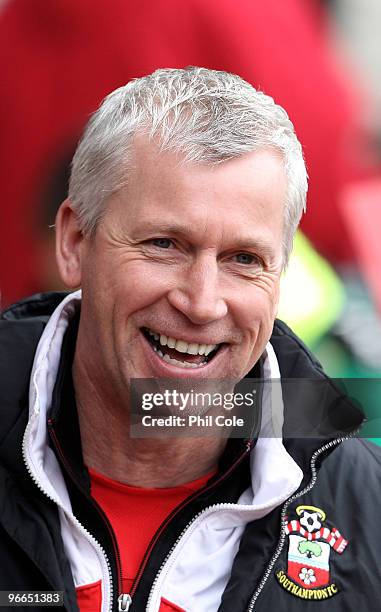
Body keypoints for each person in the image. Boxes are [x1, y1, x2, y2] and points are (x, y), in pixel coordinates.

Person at [0, 67, 379, 612]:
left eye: (244, 260)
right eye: (164, 244)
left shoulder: (366, 508)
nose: (202, 303)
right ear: (75, 243)